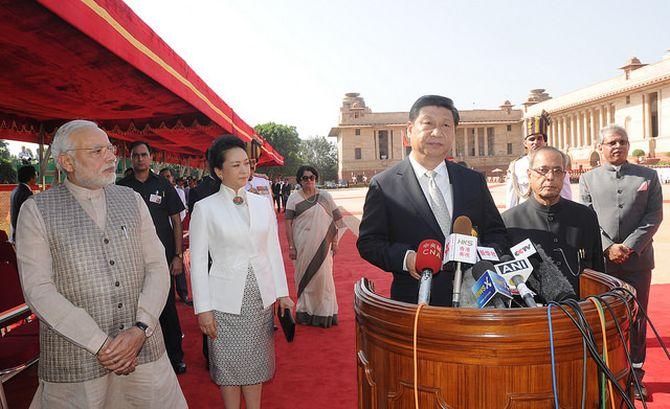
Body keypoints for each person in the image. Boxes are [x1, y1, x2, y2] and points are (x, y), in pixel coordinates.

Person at [16, 120, 186, 408]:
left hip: (143, 350)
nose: (111, 157)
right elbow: (38, 290)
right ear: (66, 161)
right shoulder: (36, 211)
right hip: (77, 360)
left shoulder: (132, 199)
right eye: (97, 151)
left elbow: (157, 267)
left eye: (110, 148)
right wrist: (99, 343)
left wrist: (140, 328)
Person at [357, 95, 508, 306]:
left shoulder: (473, 181)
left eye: (446, 125)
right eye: (428, 123)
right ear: (409, 130)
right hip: (416, 303)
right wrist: (407, 258)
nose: (437, 132)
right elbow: (369, 243)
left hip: (475, 300)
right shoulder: (385, 185)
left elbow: (497, 233)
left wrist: (483, 257)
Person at [190, 135, 294, 409]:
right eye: (235, 165)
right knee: (228, 368)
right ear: (218, 171)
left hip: (260, 299)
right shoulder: (205, 208)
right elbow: (199, 262)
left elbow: (273, 251)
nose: (244, 170)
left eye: (246, 164)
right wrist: (203, 309)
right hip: (223, 302)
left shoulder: (262, 204)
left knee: (256, 363)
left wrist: (282, 294)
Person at [580, 125, 663, 400]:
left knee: (638, 319)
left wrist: (628, 246)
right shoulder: (589, 179)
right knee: (604, 318)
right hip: (602, 264)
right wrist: (607, 247)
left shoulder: (648, 176)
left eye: (623, 142)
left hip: (637, 261)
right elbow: (587, 217)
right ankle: (607, 371)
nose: (618, 146)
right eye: (612, 142)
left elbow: (653, 217)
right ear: (600, 147)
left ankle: (636, 374)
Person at [118, 142, 187, 375]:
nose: (140, 159)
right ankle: (137, 357)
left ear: (151, 158)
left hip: (163, 259)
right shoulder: (121, 188)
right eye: (135, 155)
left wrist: (177, 255)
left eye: (144, 155)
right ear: (131, 159)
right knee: (137, 308)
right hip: (132, 260)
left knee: (166, 307)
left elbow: (176, 221)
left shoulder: (163, 185)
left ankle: (176, 357)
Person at [502, 147, 604, 294]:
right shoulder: (509, 222)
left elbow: (597, 271)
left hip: (579, 309)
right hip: (532, 312)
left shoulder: (585, 217)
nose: (550, 177)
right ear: (529, 175)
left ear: (564, 176)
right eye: (543, 170)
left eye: (557, 171)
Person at [285, 166, 344, 327]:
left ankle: (324, 314)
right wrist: (291, 246)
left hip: (323, 247)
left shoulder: (325, 196)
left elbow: (337, 220)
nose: (309, 180)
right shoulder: (294, 198)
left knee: (324, 281)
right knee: (303, 280)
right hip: (301, 246)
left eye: (312, 177)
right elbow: (288, 223)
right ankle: (305, 312)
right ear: (299, 180)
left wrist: (335, 242)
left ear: (315, 179)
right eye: (305, 178)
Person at [186, 149, 222, 368]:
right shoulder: (200, 190)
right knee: (211, 306)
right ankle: (212, 356)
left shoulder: (236, 187)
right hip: (210, 256)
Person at [506, 111, 572, 209]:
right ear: (525, 143)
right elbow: (511, 197)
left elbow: (566, 193)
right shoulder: (516, 166)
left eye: (539, 138)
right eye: (531, 139)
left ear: (545, 141)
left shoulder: (558, 162)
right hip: (525, 216)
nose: (536, 142)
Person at [159, 167, 191, 306]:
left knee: (178, 261)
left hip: (175, 231)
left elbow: (181, 212)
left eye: (168, 176)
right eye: (163, 176)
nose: (166, 179)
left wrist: (174, 223)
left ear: (172, 177)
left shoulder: (179, 192)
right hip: (162, 233)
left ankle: (183, 292)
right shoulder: (158, 191)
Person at [10, 165, 36, 243]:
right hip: (23, 235)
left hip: (17, 231)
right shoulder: (26, 193)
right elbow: (29, 216)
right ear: (31, 178)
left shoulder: (16, 190)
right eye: (35, 175)